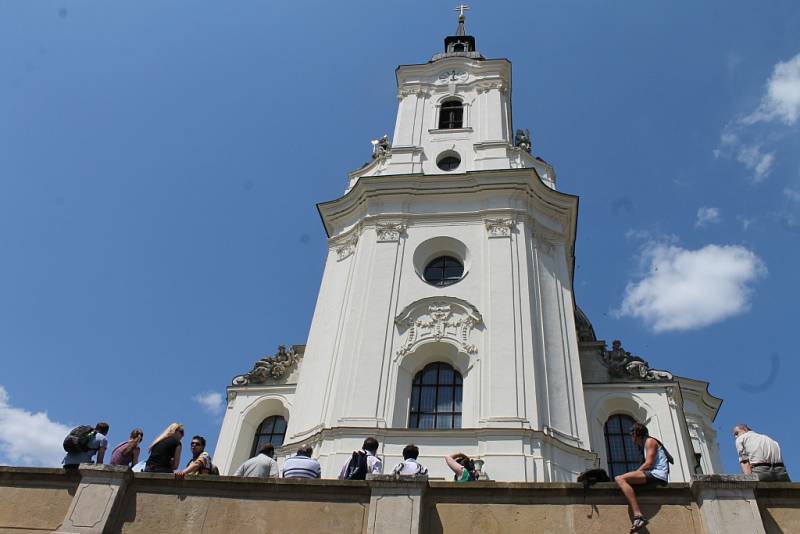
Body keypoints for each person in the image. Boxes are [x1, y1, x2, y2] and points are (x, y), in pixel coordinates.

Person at [614, 422, 672, 533]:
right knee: (620, 478)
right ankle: (638, 516)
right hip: (655, 474)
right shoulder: (646, 443)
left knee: (620, 478)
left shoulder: (649, 441)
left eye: (632, 435)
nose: (632, 439)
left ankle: (638, 515)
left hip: (656, 475)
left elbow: (649, 463)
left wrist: (635, 473)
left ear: (635, 434)